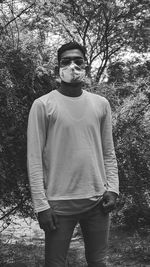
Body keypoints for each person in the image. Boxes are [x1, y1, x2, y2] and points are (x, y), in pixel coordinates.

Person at [27, 41, 119, 267]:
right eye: (66, 61)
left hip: (98, 201)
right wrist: (41, 205)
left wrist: (113, 188)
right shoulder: (43, 105)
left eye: (78, 61)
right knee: (55, 263)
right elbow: (34, 158)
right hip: (58, 205)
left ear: (86, 65)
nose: (72, 66)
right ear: (57, 67)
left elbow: (108, 151)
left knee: (99, 261)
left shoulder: (101, 104)